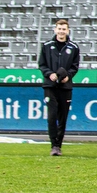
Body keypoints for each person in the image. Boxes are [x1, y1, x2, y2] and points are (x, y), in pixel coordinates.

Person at [37, 18, 80, 156]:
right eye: (59, 29)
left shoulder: (74, 47)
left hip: (65, 86)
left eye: (64, 29)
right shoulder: (47, 46)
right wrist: (49, 74)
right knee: (52, 115)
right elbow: (42, 64)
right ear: (55, 30)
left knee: (63, 117)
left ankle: (58, 145)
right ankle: (53, 145)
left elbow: (75, 66)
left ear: (68, 31)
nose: (61, 32)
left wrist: (68, 76)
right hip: (50, 85)